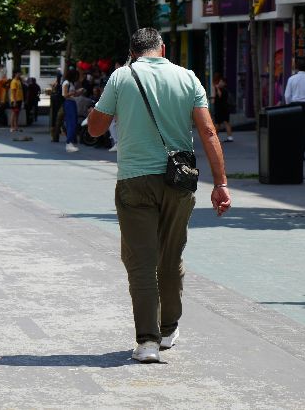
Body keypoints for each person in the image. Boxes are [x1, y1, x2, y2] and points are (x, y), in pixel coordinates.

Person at [86, 27, 231, 364]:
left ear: (132, 51)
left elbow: (94, 128)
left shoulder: (122, 77)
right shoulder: (188, 78)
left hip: (135, 181)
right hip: (178, 181)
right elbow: (208, 131)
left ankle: (147, 341)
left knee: (141, 262)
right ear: (162, 49)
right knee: (170, 256)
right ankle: (168, 329)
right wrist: (221, 182)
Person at [283, 59, 305, 156]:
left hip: (294, 105)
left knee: (294, 129)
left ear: (296, 68)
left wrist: (288, 105)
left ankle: (294, 150)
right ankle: (302, 152)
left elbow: (287, 95)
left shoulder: (291, 79)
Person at [62, 68, 81, 152]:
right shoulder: (66, 83)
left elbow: (72, 94)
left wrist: (78, 92)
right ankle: (68, 143)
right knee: (71, 123)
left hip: (72, 103)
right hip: (69, 103)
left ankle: (70, 142)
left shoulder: (70, 83)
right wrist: (75, 92)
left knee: (73, 123)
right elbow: (65, 95)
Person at [211, 73, 233, 143]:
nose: (220, 83)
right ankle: (219, 137)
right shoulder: (218, 89)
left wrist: (216, 88)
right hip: (221, 108)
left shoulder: (223, 90)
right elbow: (213, 100)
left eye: (221, 82)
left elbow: (219, 96)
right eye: (219, 82)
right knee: (219, 123)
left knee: (222, 123)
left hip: (222, 109)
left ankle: (228, 137)